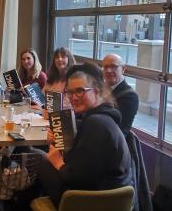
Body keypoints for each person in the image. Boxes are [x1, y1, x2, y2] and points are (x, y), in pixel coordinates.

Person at [38, 62, 132, 207]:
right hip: (105, 196)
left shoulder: (96, 124)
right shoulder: (102, 118)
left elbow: (78, 178)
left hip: (91, 202)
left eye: (80, 90)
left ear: (98, 91)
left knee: (38, 158)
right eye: (69, 92)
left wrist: (57, 161)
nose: (74, 97)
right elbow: (87, 163)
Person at [102, 54, 139, 136]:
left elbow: (121, 130)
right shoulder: (100, 87)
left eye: (113, 67)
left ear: (123, 69)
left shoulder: (130, 96)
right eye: (105, 67)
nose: (108, 70)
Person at [42, 47, 76, 119]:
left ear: (69, 59)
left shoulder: (74, 80)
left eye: (63, 57)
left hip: (66, 119)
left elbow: (71, 105)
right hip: (47, 117)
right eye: (57, 57)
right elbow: (43, 97)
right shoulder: (51, 79)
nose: (60, 59)